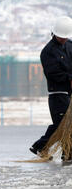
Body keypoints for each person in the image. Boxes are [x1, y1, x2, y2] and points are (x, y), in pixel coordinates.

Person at [30, 16, 72, 163]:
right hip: (58, 93)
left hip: (69, 93)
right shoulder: (47, 52)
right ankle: (41, 147)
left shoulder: (70, 45)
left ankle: (67, 153)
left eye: (65, 37)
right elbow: (53, 74)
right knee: (62, 124)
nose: (63, 39)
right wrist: (69, 78)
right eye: (61, 37)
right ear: (54, 33)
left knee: (67, 125)